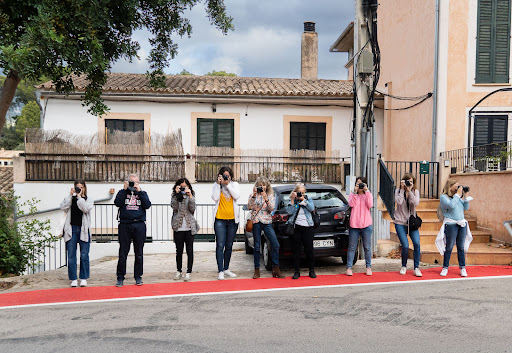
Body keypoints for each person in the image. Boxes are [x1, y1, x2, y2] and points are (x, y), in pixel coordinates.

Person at [114, 173, 152, 287]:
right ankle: (120, 277)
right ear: (127, 181)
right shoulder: (122, 192)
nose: (133, 184)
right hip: (125, 224)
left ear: (138, 183)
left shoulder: (142, 193)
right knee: (123, 253)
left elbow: (147, 205)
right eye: (131, 182)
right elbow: (117, 203)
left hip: (139, 225)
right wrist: (124, 189)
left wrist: (139, 191)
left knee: (139, 253)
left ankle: (138, 276)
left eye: (135, 182)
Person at [247, 177, 285, 279]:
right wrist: (254, 196)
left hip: (267, 222)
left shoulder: (270, 195)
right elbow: (249, 206)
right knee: (256, 246)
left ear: (267, 186)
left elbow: (271, 208)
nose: (262, 187)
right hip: (256, 222)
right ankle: (257, 270)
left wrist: (265, 198)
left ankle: (275, 269)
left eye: (263, 185)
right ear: (256, 186)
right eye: (259, 185)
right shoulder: (253, 195)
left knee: (275, 244)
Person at [435, 178, 473, 277]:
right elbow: (451, 206)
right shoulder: (444, 197)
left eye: (458, 186)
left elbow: (466, 208)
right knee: (449, 247)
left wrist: (465, 197)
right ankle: (445, 267)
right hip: (451, 224)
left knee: (461, 247)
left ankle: (463, 267)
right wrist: (457, 195)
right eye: (456, 186)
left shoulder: (458, 197)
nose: (458, 188)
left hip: (462, 224)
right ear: (450, 186)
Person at [60, 179, 93, 287]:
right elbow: (63, 207)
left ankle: (83, 278)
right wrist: (70, 195)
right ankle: (73, 278)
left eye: (81, 187)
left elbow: (85, 209)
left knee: (84, 255)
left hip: (83, 230)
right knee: (71, 256)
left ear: (84, 188)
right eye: (77, 187)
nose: (79, 189)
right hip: (71, 230)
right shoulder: (70, 199)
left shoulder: (88, 199)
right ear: (74, 187)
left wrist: (79, 197)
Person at [211, 166, 240, 280]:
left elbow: (237, 196)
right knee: (220, 245)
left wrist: (227, 184)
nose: (225, 177)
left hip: (233, 220)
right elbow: (215, 197)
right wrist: (219, 184)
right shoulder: (216, 185)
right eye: (223, 175)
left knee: (229, 245)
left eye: (227, 176)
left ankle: (226, 268)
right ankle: (220, 270)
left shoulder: (234, 185)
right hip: (220, 219)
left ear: (230, 176)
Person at [394, 173, 422, 277]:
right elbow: (399, 202)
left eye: (411, 182)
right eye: (407, 181)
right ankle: (404, 266)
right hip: (400, 222)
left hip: (412, 223)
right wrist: (402, 190)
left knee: (417, 243)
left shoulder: (415, 192)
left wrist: (410, 192)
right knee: (405, 245)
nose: (408, 183)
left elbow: (415, 203)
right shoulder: (398, 191)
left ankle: (416, 267)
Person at [286, 183, 316, 279]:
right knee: (296, 250)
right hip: (296, 227)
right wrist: (292, 199)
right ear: (295, 192)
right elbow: (289, 212)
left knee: (309, 250)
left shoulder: (308, 199)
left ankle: (311, 270)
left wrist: (304, 200)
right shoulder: (294, 201)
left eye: (303, 193)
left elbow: (312, 208)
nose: (301, 194)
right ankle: (296, 271)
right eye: (299, 193)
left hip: (308, 227)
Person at [171, 178, 198, 281]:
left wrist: (190, 196)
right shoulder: (175, 196)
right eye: (181, 186)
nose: (183, 189)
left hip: (189, 227)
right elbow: (175, 208)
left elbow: (192, 209)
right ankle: (178, 271)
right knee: (179, 251)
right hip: (178, 227)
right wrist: (178, 195)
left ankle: (189, 271)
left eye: (184, 187)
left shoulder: (191, 196)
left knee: (190, 250)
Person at [346, 176, 373, 276]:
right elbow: (351, 204)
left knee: (367, 247)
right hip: (354, 225)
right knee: (352, 247)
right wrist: (354, 191)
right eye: (358, 184)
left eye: (362, 184)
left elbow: (370, 205)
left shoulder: (368, 194)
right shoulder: (353, 195)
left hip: (366, 224)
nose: (360, 186)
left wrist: (367, 191)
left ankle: (368, 267)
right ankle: (349, 267)